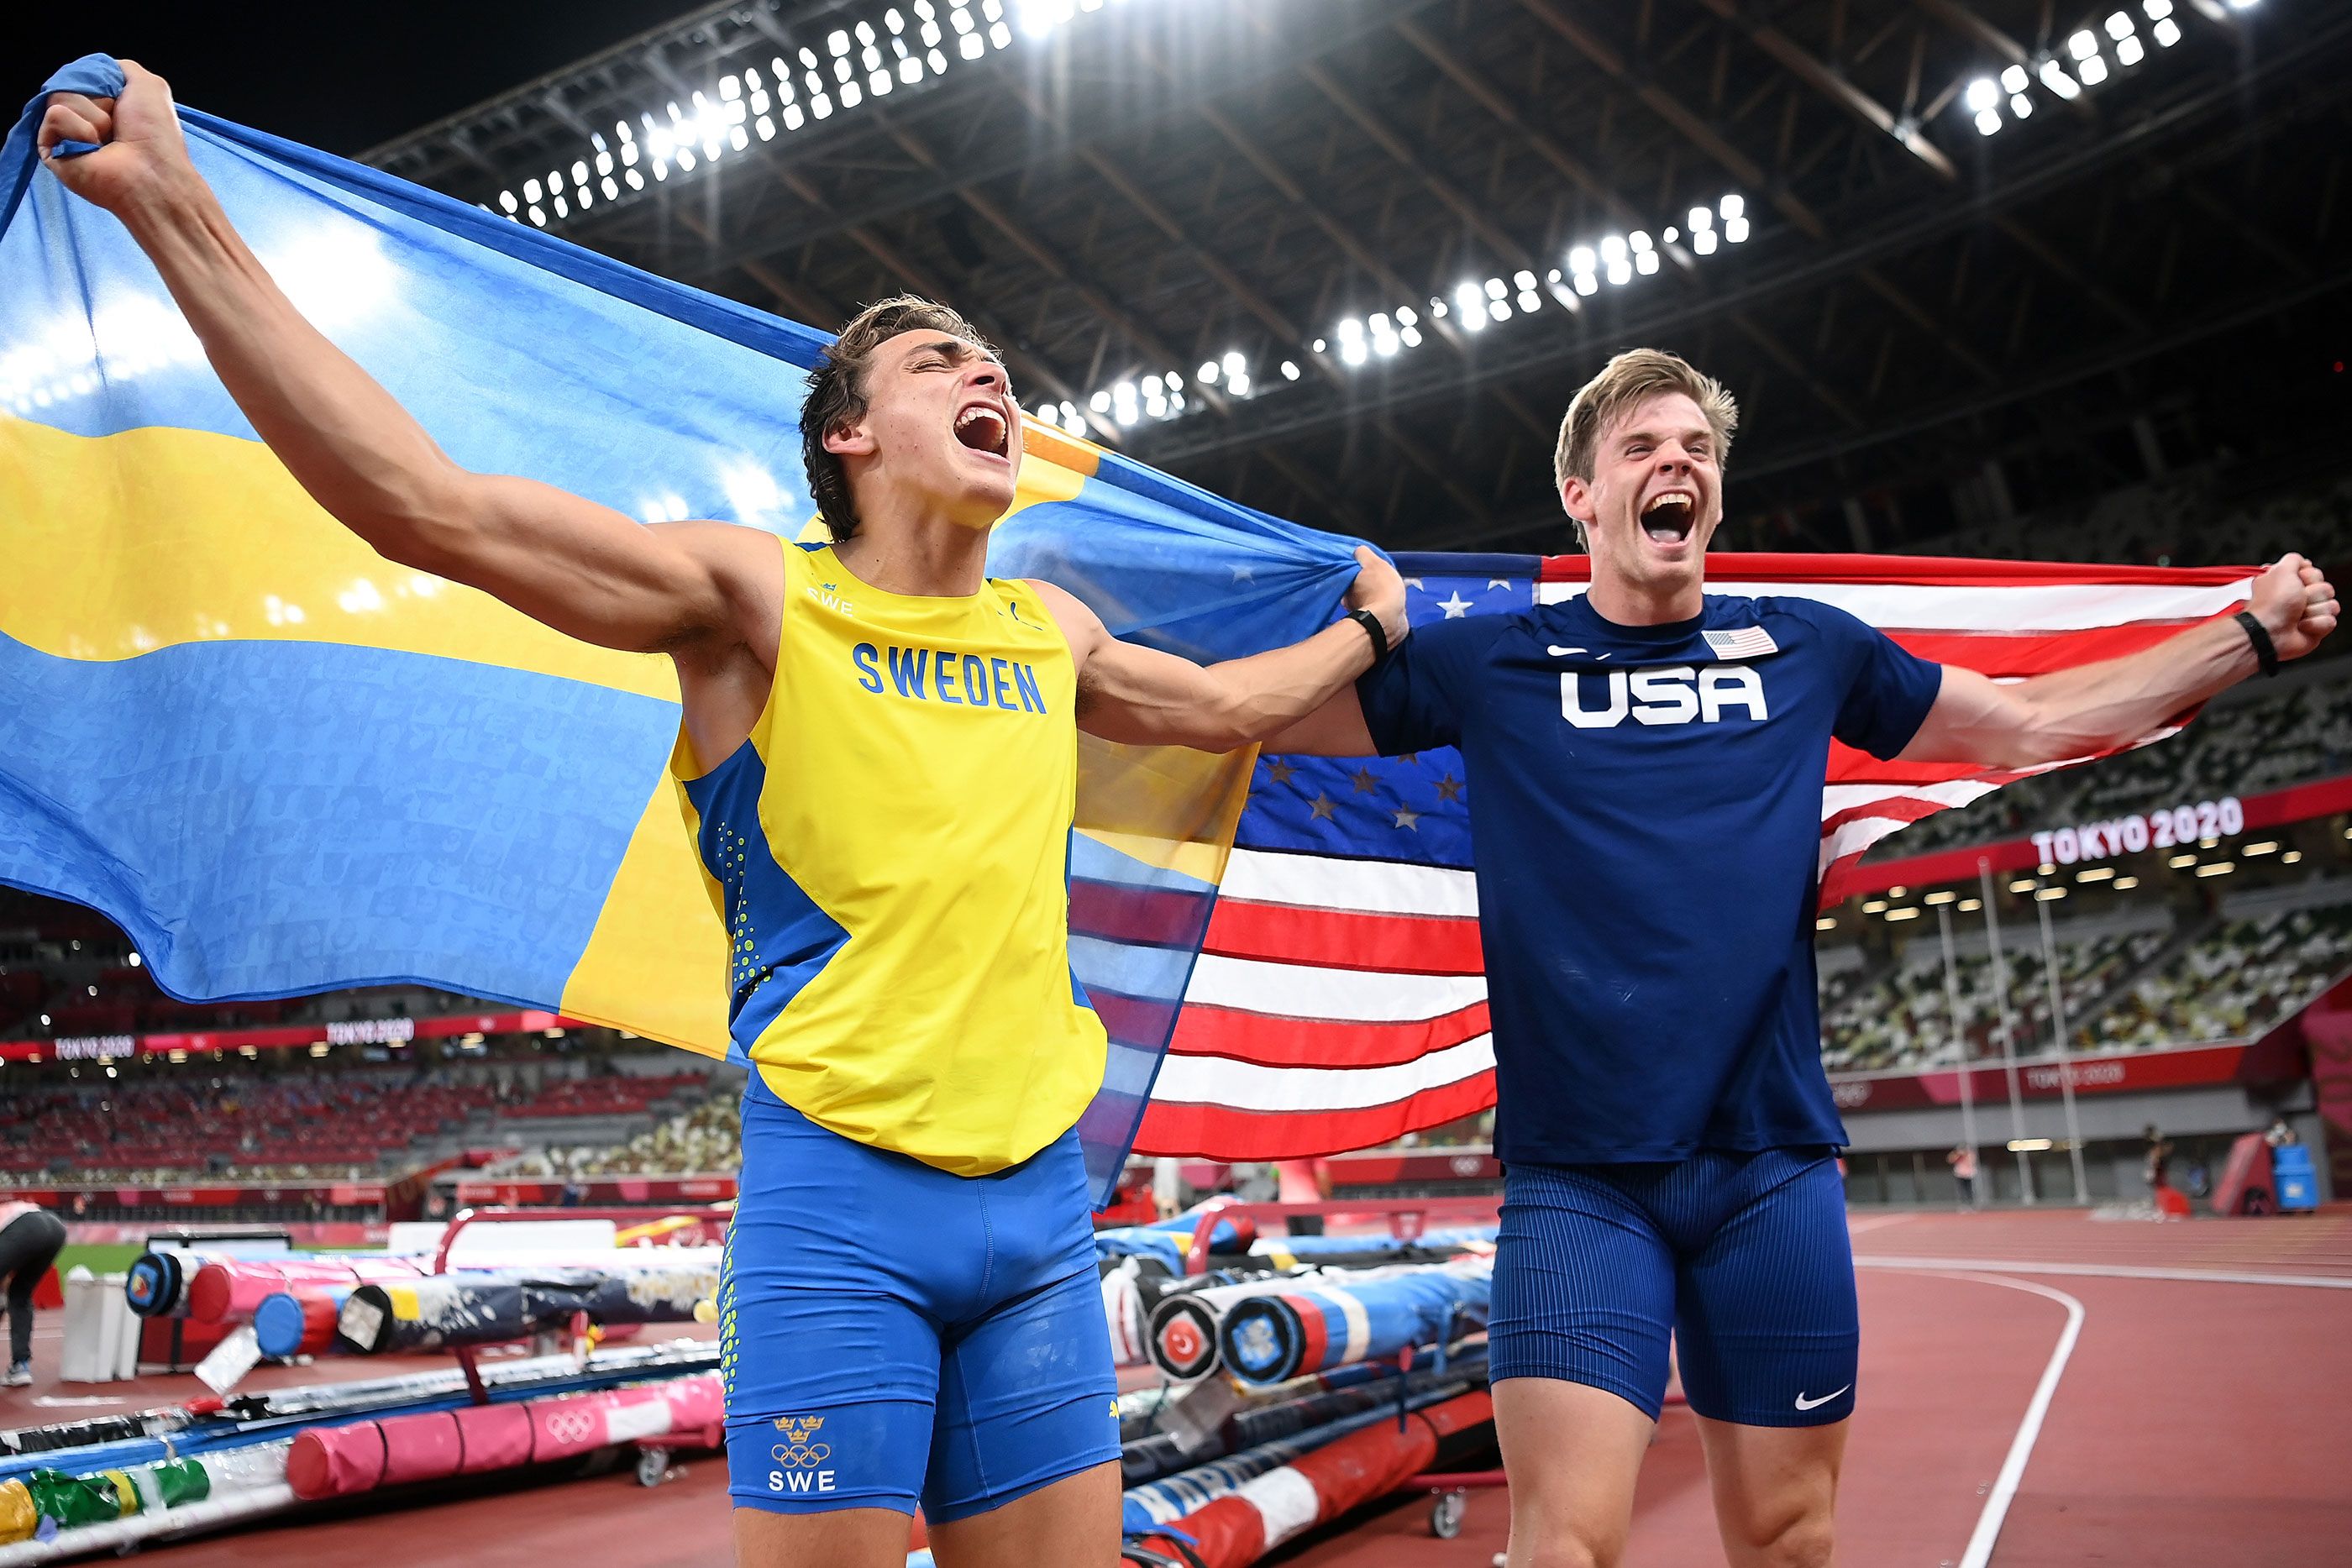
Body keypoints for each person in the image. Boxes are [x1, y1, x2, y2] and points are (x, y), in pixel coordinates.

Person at [37, 66, 1408, 1568]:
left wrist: (1373, 629)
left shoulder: (1055, 632)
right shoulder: (756, 601)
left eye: (998, 361)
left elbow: (1226, 711)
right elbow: (429, 505)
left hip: (1035, 1220)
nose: (991, 374)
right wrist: (179, 213)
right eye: (943, 360)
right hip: (839, 1215)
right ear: (851, 440)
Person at [1271, 346, 2336, 1567]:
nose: (1676, 465)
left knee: (1788, 1538)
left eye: (1698, 453)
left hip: (1771, 1173)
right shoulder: (1492, 663)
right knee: (1562, 1545)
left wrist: (2245, 636)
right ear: (1581, 495)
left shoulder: (1807, 649)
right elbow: (1252, 714)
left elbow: (2036, 720)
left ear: (1716, 497)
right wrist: (1348, 629)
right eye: (1641, 449)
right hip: (1579, 1178)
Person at [0, 1200, 69, 1387]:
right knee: (19, 1293)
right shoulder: (9, 1211)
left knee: (16, 1293)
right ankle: (20, 1366)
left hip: (29, 1228)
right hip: (55, 1229)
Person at [1946, 1145, 1980, 1209]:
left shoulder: (1970, 1154)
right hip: (1960, 1174)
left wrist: (1965, 1155)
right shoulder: (1957, 1155)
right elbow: (1950, 1160)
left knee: (1969, 1190)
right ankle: (1963, 1204)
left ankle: (1971, 1204)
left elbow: (1972, 1162)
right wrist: (1958, 1155)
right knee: (1961, 1190)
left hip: (1969, 1175)